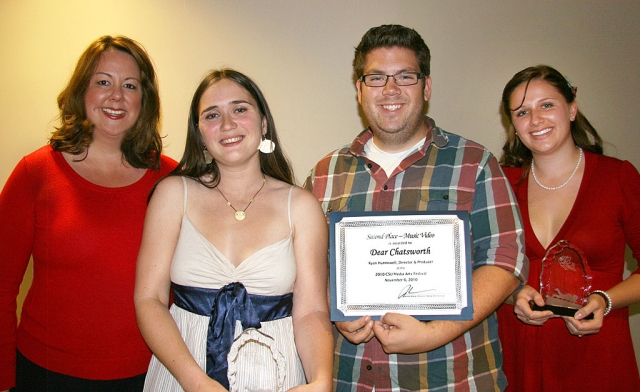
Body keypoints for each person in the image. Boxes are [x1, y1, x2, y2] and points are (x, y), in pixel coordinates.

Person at [303, 24, 528, 391]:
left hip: (450, 379)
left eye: (405, 76)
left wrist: (431, 334)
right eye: (376, 77)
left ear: (426, 86)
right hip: (349, 377)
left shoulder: (475, 163)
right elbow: (303, 265)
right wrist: (332, 304)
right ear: (359, 89)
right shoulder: (324, 174)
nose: (390, 90)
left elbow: (506, 260)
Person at [134, 69, 333, 392]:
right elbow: (149, 299)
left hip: (277, 374)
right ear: (199, 133)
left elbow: (311, 311)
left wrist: (321, 379)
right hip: (183, 374)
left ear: (264, 123)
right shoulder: (173, 195)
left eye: (240, 109)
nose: (227, 124)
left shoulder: (301, 206)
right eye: (212, 115)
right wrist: (196, 382)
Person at [0, 35, 176, 391]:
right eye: (103, 82)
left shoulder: (173, 181)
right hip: (45, 375)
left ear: (145, 100)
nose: (116, 96)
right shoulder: (35, 173)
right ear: (82, 91)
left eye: (130, 85)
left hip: (149, 376)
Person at [496, 65, 640, 391]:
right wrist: (512, 294)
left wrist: (605, 299)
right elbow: (475, 267)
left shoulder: (617, 178)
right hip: (518, 354)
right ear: (513, 126)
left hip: (597, 354)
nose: (535, 120)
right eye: (522, 112)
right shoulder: (499, 182)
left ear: (572, 109)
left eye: (547, 105)